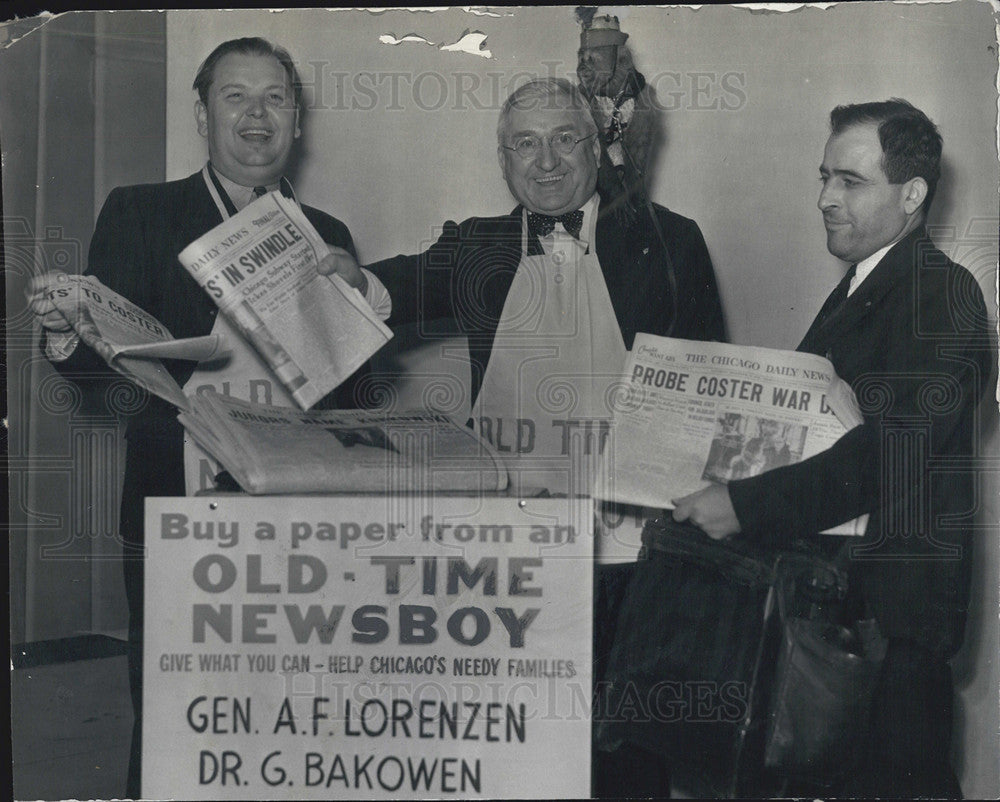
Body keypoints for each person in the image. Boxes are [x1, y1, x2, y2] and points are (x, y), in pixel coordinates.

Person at [320, 76, 725, 798]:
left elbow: (709, 384)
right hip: (508, 546)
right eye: (525, 145)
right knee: (513, 734)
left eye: (565, 139)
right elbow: (396, 286)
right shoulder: (478, 245)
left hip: (634, 547)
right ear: (503, 160)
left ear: (597, 148)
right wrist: (352, 276)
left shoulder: (670, 240)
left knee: (625, 742)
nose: (546, 162)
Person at [27, 36, 386, 798]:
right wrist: (65, 327)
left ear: (296, 119)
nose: (257, 116)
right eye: (235, 96)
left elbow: (356, 392)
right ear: (201, 111)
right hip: (178, 499)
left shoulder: (331, 237)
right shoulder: (140, 210)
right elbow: (99, 368)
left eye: (275, 98)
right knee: (173, 705)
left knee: (296, 709)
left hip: (304, 511)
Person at [673, 99, 991, 797]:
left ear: (912, 195)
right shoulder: (865, 289)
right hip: (839, 625)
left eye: (849, 182)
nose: (824, 198)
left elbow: (888, 452)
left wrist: (743, 504)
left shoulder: (945, 295)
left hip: (888, 641)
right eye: (823, 177)